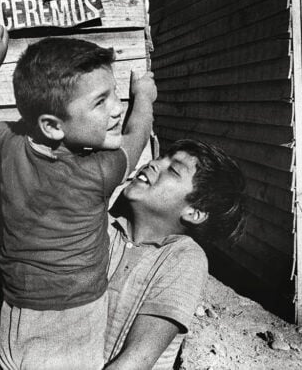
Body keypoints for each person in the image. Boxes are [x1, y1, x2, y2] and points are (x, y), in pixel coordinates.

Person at [0, 23, 156, 370]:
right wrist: (144, 97)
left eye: (116, 95)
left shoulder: (12, 145)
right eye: (100, 102)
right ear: (52, 125)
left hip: (17, 314)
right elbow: (136, 135)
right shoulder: (101, 170)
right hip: (77, 318)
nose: (116, 109)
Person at [104, 139, 247, 369]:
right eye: (160, 158)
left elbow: (136, 361)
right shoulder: (101, 226)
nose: (152, 164)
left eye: (172, 169)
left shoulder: (183, 258)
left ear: (194, 212)